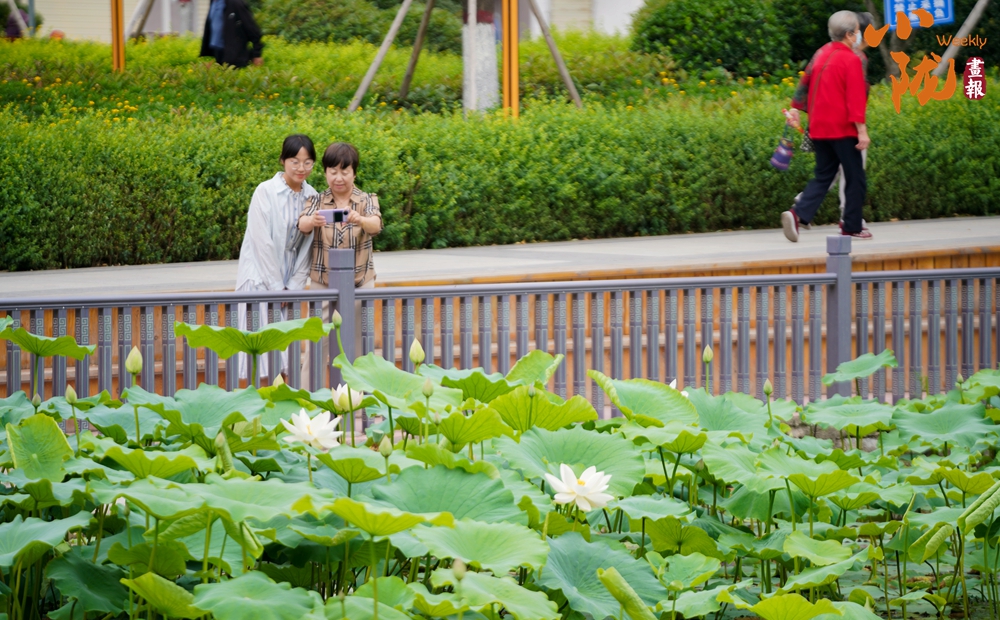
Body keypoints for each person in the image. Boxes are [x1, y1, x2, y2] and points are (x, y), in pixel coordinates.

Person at [297, 143, 383, 390]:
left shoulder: (367, 199)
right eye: (333, 171)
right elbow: (301, 224)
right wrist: (312, 220)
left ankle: (356, 401)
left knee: (358, 345)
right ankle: (308, 400)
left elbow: (376, 225)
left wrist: (360, 219)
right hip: (322, 282)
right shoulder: (316, 199)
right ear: (325, 172)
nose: (338, 177)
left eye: (345, 172)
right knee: (316, 344)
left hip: (360, 281)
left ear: (354, 173)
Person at [781, 10, 871, 243]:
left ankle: (797, 214)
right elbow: (855, 98)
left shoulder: (820, 53)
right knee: (855, 178)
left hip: (818, 127)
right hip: (843, 128)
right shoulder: (852, 59)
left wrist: (794, 109)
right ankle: (851, 227)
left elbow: (805, 81)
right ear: (849, 34)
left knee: (824, 175)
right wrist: (862, 131)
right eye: (857, 32)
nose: (858, 36)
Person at [235, 134, 319, 381]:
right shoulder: (265, 191)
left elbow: (308, 247)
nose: (301, 168)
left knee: (286, 358)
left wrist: (292, 288)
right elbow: (261, 242)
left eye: (307, 162)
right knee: (259, 357)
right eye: (295, 161)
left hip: (289, 285)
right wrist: (275, 288)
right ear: (283, 160)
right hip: (260, 280)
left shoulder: (313, 196)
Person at [199, 0, 264, 68]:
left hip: (235, 56)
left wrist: (257, 54)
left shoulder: (235, 3)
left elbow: (251, 28)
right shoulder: (213, 2)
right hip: (218, 54)